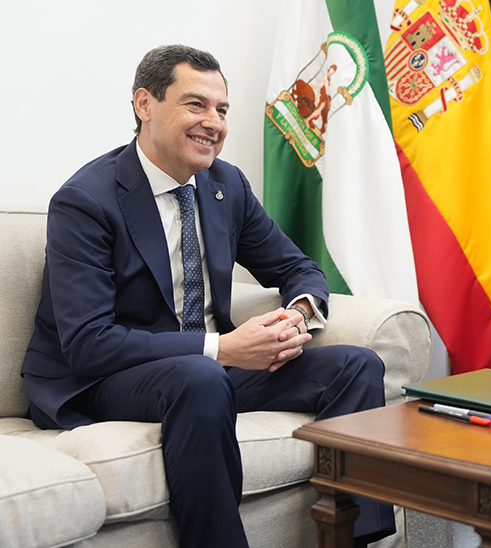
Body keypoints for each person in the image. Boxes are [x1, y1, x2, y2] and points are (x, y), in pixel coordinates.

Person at [21, 45, 394, 548]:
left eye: (221, 110)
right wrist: (224, 349)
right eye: (195, 105)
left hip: (203, 373)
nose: (213, 123)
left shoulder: (225, 185)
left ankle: (354, 540)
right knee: (200, 374)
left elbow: (296, 267)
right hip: (100, 378)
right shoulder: (86, 200)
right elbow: (89, 343)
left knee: (358, 366)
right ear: (144, 105)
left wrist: (297, 314)